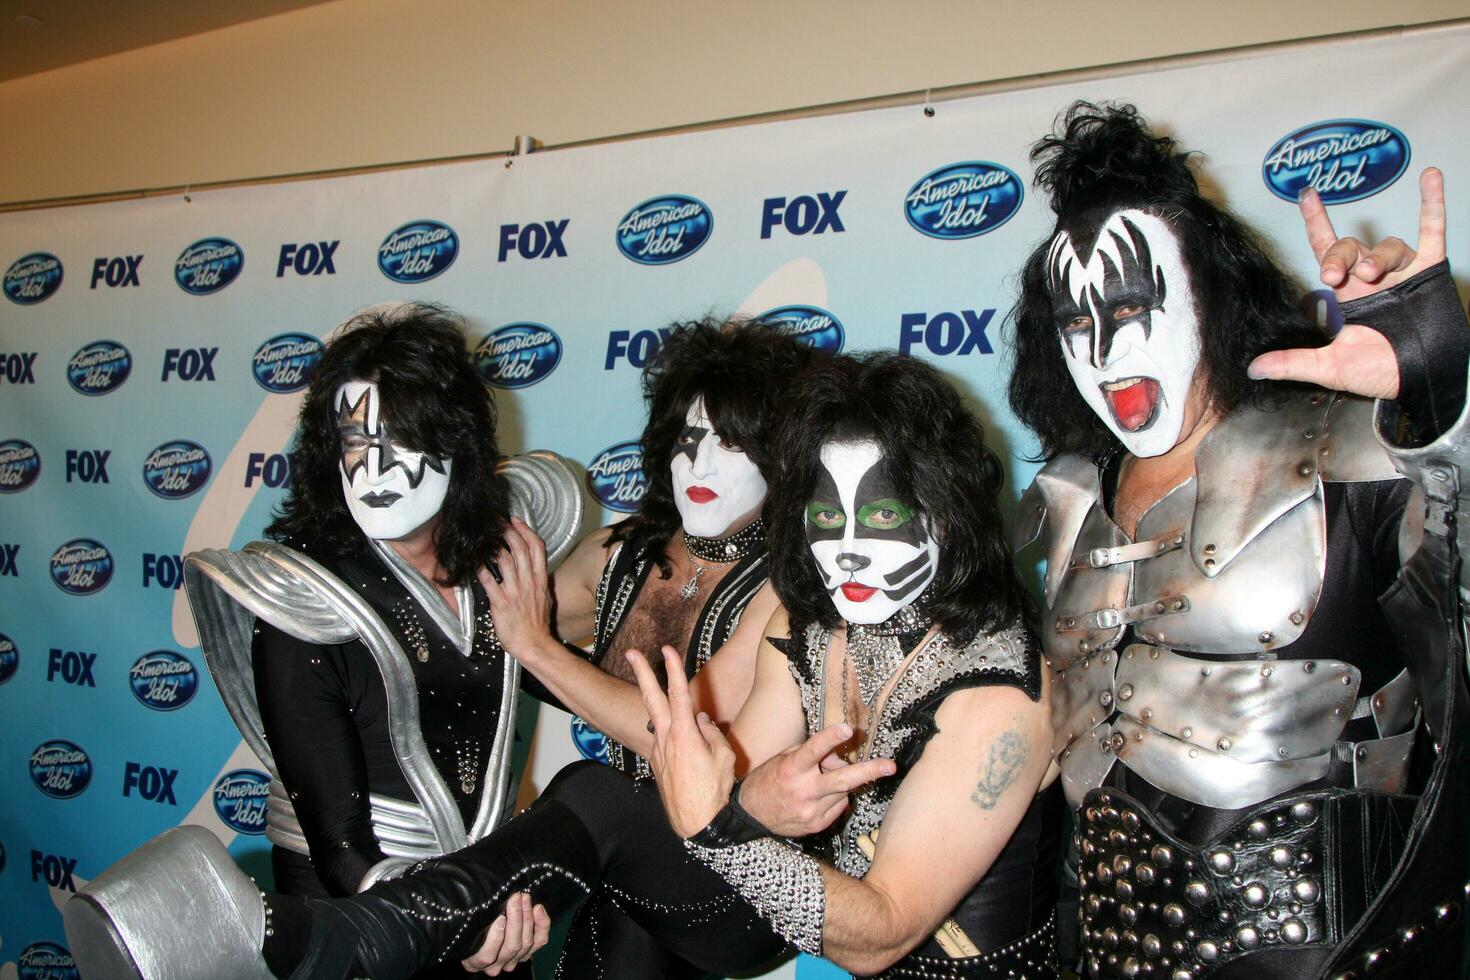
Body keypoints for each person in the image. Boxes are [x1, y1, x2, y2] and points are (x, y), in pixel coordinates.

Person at [65, 317, 826, 980]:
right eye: (691, 439)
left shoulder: (789, 588)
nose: (703, 465)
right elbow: (467, 627)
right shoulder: (619, 554)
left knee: (592, 790)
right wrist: (493, 909)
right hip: (597, 871)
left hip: (736, 871)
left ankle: (351, 934)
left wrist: (536, 646)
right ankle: (420, 919)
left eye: (734, 444)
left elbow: (689, 740)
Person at [1007, 102, 1469, 978]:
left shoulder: (1350, 451)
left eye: (1135, 303)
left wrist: (1440, 408)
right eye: (1075, 322)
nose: (1105, 348)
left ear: (1212, 294)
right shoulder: (1067, 500)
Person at [634, 352, 1062, 978]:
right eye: (828, 518)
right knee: (608, 852)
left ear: (948, 510)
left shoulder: (1002, 692)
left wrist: (720, 829)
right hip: (816, 952)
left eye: (883, 515)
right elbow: (735, 791)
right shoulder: (805, 628)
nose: (850, 551)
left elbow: (884, 933)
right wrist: (741, 809)